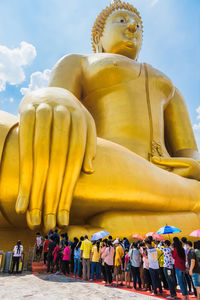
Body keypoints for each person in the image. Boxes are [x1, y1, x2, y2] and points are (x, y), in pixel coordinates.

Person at [1, 0, 200, 245]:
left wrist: (193, 165)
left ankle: (119, 225)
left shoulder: (168, 86)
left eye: (138, 26)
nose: (133, 28)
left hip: (163, 173)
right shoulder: (78, 62)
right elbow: (53, 108)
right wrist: (52, 98)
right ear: (99, 35)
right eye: (122, 21)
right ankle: (186, 201)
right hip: (96, 166)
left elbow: (189, 152)